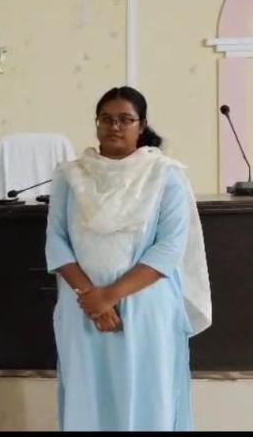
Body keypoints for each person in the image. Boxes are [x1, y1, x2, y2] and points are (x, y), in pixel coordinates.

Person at [45, 86, 212, 431]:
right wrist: (90, 297)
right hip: (82, 308)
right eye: (106, 119)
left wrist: (108, 296)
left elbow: (169, 248)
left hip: (145, 308)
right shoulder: (70, 175)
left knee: (147, 398)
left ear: (142, 124)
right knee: (86, 397)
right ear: (96, 123)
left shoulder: (165, 175)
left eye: (125, 119)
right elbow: (56, 241)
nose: (115, 127)